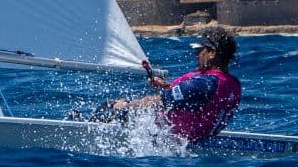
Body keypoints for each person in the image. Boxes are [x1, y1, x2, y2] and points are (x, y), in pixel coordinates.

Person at [95, 27, 242, 143]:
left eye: (199, 50)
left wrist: (125, 105)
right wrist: (167, 87)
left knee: (108, 107)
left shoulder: (202, 84)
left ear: (212, 53)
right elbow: (198, 101)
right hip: (200, 138)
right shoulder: (233, 84)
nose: (196, 55)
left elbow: (159, 102)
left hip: (168, 138)